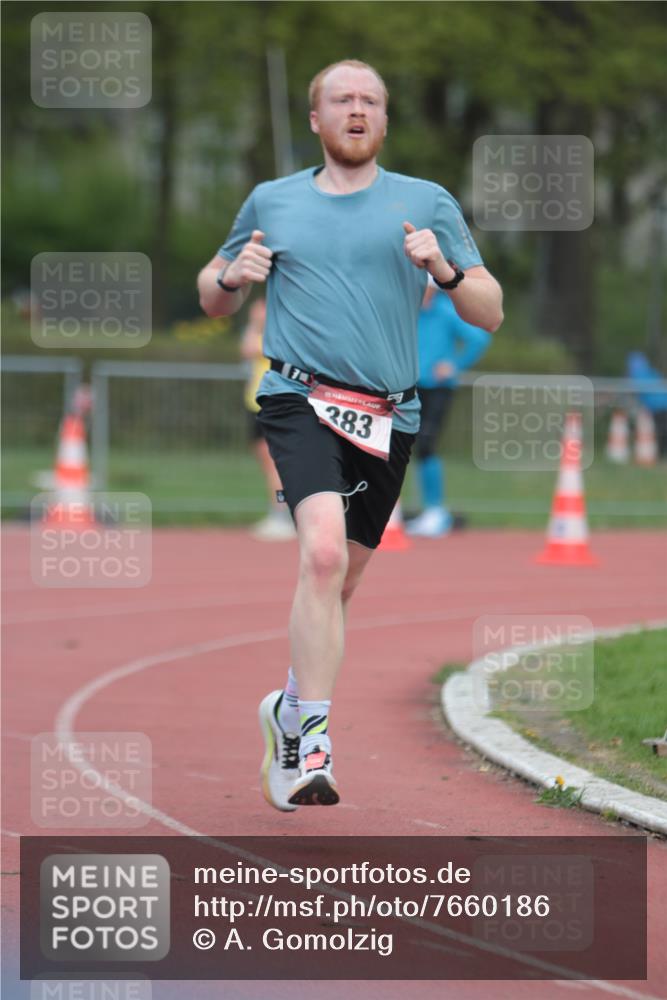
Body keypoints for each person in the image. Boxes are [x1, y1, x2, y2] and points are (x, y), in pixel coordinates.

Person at [198, 59, 502, 810]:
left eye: (370, 100)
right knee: (324, 554)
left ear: (384, 120)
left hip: (386, 413)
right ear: (316, 119)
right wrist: (234, 276)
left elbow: (489, 311)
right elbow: (210, 297)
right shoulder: (274, 200)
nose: (356, 110)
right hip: (297, 396)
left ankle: (288, 704)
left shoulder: (424, 203)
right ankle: (309, 743)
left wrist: (444, 270)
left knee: (345, 579)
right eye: (341, 100)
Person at [406, 278, 491, 537]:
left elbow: (478, 339)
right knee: (397, 445)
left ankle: (435, 511)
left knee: (427, 443)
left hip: (436, 388)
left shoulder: (445, 311)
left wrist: (454, 364)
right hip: (407, 386)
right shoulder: (406, 310)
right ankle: (394, 509)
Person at [241, 297, 297, 540]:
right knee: (269, 465)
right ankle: (280, 512)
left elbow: (250, 349)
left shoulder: (278, 334)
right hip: (255, 403)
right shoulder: (263, 332)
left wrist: (256, 324)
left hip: (271, 404)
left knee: (276, 465)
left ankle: (282, 514)